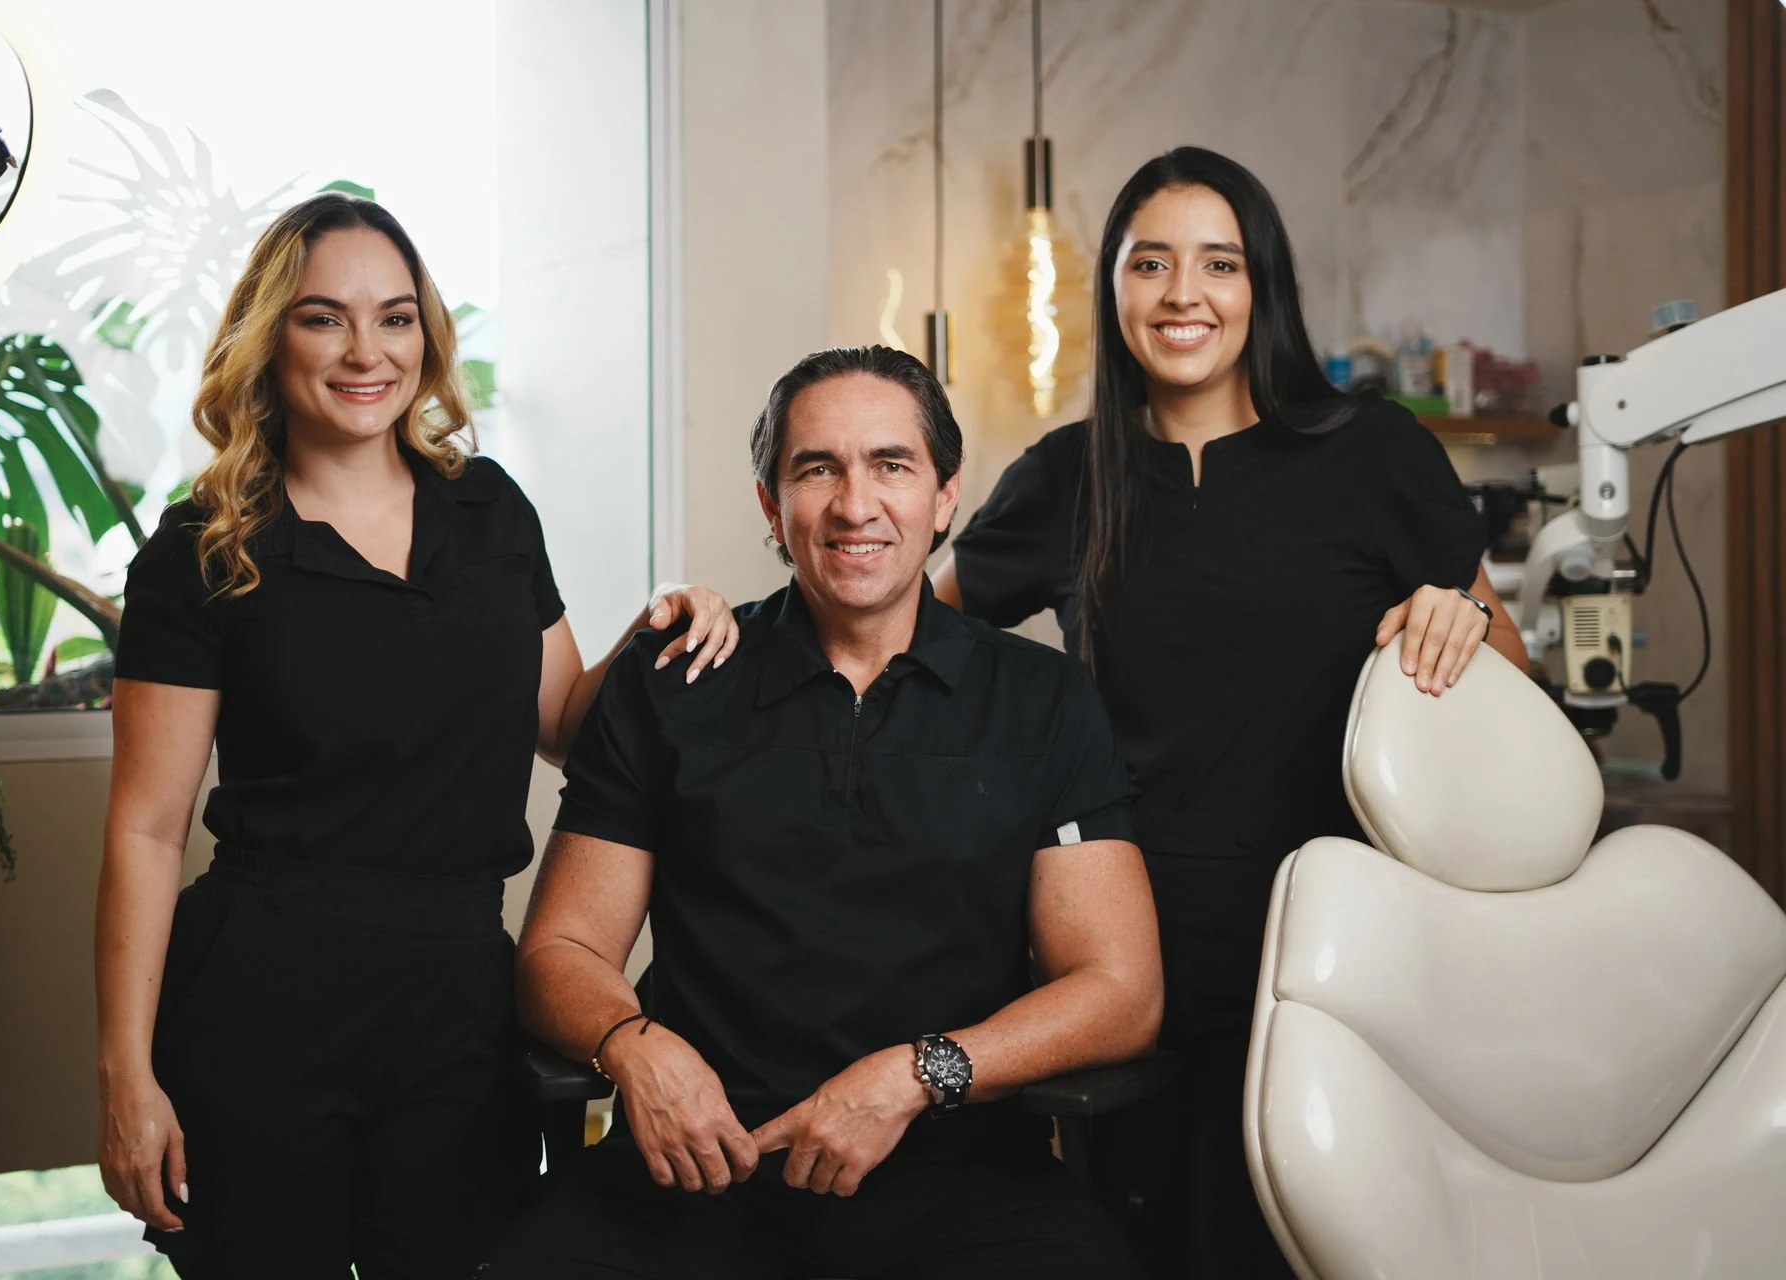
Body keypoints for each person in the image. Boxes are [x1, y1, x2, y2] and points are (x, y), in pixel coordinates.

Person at [94, 193, 739, 1279]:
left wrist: (664, 614)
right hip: (260, 1004)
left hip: (460, 1006)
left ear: (426, 337)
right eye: (323, 318)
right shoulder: (206, 547)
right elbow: (148, 832)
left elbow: (567, 728)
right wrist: (123, 1072)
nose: (366, 351)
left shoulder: (489, 512)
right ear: (270, 337)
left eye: (395, 318)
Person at [934, 146, 1530, 1278]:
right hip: (1131, 951)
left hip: (1347, 934)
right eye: (1148, 263)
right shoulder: (1070, 475)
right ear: (1111, 289)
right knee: (1150, 1239)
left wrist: (1459, 620)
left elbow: (1504, 664)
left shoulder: (1372, 450)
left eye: (1219, 263)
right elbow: (909, 630)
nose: (1182, 295)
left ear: (1264, 286)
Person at [482, 345, 1164, 1278]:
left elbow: (1121, 989)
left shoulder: (1042, 699)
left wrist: (916, 1076)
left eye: (892, 465)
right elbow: (559, 951)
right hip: (700, 1163)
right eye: (817, 469)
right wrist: (633, 1047)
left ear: (946, 495)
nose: (855, 504)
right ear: (771, 504)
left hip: (958, 1175)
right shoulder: (674, 682)